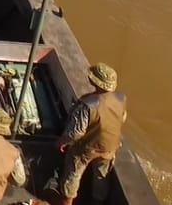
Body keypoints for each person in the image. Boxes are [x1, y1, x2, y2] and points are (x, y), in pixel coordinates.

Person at [54, 63, 127, 205]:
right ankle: (97, 201)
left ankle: (67, 200)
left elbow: (76, 133)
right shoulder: (121, 98)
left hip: (86, 149)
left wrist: (62, 142)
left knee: (73, 172)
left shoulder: (88, 104)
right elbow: (122, 118)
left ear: (95, 82)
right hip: (109, 147)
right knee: (101, 178)